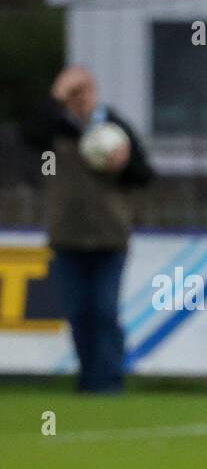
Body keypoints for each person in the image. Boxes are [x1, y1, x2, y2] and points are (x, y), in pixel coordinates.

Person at [25, 66, 154, 393]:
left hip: (110, 238)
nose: (79, 100)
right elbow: (29, 134)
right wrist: (56, 94)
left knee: (104, 311)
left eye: (84, 91)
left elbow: (145, 174)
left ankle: (110, 382)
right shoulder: (55, 129)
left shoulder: (114, 127)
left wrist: (124, 164)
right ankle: (89, 379)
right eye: (72, 94)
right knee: (79, 313)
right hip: (67, 237)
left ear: (95, 91)